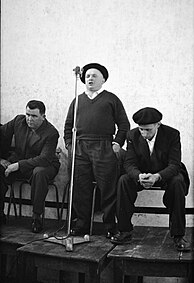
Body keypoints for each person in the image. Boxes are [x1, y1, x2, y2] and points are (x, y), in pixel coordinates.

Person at [64, 63, 130, 237]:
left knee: (108, 188)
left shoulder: (111, 99)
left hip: (103, 147)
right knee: (80, 188)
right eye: (87, 76)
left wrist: (117, 142)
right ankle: (82, 225)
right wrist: (70, 145)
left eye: (94, 75)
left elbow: (124, 124)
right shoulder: (77, 100)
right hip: (80, 148)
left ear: (103, 79)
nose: (90, 78)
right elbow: (68, 126)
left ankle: (110, 227)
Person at [111, 107, 191, 252]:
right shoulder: (132, 135)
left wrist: (157, 176)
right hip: (143, 174)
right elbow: (129, 163)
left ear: (158, 124)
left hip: (166, 173)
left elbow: (174, 164)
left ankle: (178, 235)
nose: (144, 133)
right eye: (141, 129)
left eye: (148, 130)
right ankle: (125, 231)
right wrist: (138, 176)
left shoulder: (172, 134)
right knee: (123, 181)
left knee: (178, 182)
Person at [0, 100, 60, 233]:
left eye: (34, 116)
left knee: (39, 173)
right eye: (27, 114)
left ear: (43, 116)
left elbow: (44, 158)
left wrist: (18, 165)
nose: (29, 119)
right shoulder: (18, 121)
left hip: (45, 165)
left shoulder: (51, 132)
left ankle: (36, 217)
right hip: (19, 162)